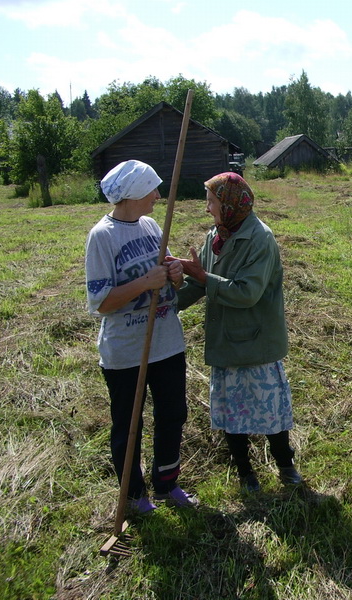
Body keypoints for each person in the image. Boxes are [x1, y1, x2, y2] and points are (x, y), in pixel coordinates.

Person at [173, 172, 302, 495]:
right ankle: (245, 471)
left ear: (230, 204)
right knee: (231, 412)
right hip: (225, 339)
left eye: (211, 202)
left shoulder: (260, 239)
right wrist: (166, 305)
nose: (207, 209)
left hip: (255, 339)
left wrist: (204, 277)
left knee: (269, 410)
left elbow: (247, 293)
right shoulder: (216, 236)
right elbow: (199, 284)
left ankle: (285, 465)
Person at [85, 159, 198, 515]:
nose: (158, 196)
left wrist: (175, 273)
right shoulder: (102, 236)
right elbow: (101, 302)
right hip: (126, 351)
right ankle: (134, 496)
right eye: (152, 189)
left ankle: (167, 484)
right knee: (128, 424)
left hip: (166, 343)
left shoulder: (151, 226)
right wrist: (144, 283)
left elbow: (169, 278)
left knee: (173, 414)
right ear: (135, 192)